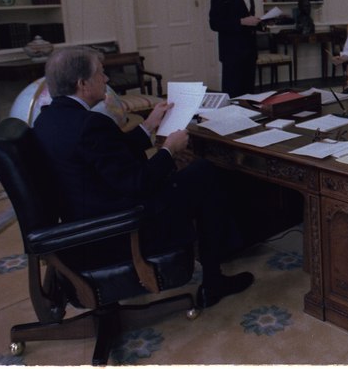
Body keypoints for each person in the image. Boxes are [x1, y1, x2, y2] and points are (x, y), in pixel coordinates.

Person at [32, 47, 254, 309]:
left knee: (189, 173)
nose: (106, 80)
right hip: (118, 229)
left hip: (85, 217)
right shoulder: (89, 125)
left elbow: (105, 154)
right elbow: (138, 183)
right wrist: (168, 150)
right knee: (203, 172)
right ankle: (214, 280)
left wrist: (148, 126)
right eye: (101, 74)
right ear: (82, 84)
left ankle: (226, 248)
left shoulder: (48, 119)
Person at [209, 0, 263, 98]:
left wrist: (261, 22)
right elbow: (214, 23)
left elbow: (249, 19)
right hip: (232, 53)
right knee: (233, 93)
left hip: (250, 52)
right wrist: (241, 22)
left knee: (249, 94)